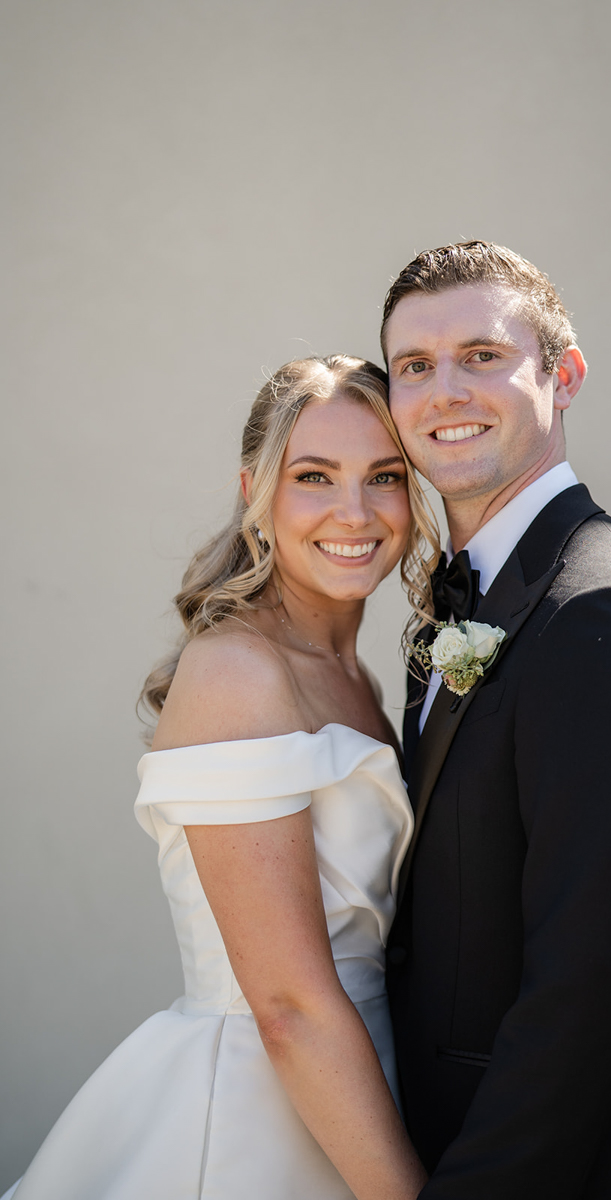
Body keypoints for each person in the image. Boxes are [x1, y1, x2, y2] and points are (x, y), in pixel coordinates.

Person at [3, 355, 436, 1200]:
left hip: (359, 1089)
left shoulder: (356, 676)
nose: (355, 512)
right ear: (256, 490)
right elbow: (285, 1004)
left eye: (384, 477)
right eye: (315, 477)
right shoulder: (239, 673)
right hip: (258, 1111)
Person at [382, 241, 611, 1199]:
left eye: (482, 356)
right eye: (415, 366)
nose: (444, 390)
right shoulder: (464, 601)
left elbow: (589, 991)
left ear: (562, 376)